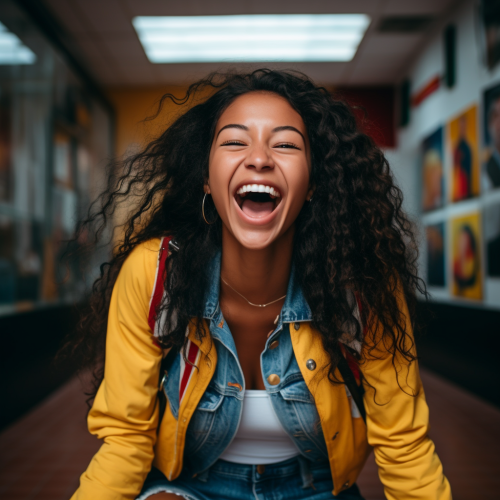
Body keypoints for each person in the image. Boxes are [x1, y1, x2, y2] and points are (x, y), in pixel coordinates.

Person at [67, 70, 452, 500]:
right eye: (235, 141)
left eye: (285, 144)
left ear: (312, 185)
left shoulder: (362, 283)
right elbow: (125, 437)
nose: (259, 158)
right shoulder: (154, 274)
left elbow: (404, 445)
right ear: (207, 181)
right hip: (190, 489)